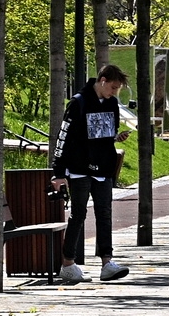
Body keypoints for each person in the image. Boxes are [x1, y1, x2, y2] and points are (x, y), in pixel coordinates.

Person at [51, 64, 131, 283]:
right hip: (79, 169)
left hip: (103, 169)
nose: (114, 93)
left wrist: (115, 138)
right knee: (78, 214)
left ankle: (107, 262)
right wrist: (59, 172)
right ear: (103, 81)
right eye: (113, 87)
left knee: (104, 213)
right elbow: (63, 137)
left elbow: (104, 134)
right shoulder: (78, 102)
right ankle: (68, 263)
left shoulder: (112, 104)